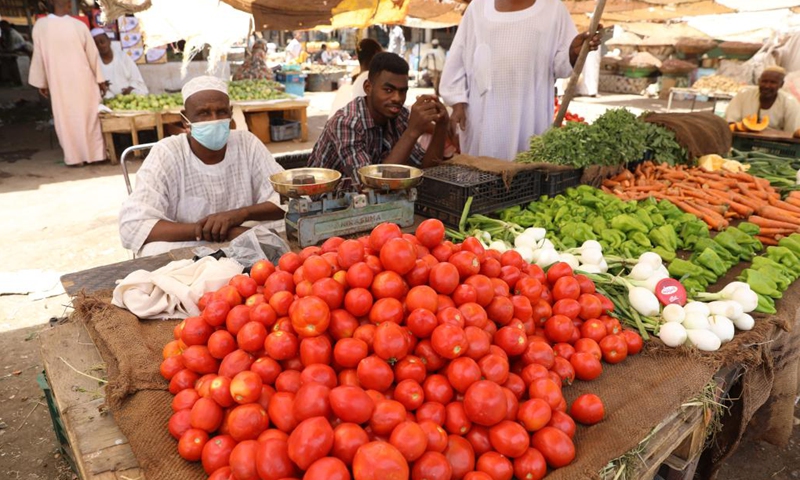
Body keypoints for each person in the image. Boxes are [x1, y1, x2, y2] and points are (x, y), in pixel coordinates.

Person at [119, 76, 285, 257]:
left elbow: (285, 198)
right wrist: (215, 231)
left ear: (230, 113)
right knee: (153, 251)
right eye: (204, 113)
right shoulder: (167, 153)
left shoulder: (247, 143)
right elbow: (133, 225)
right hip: (189, 241)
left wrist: (239, 214)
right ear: (185, 120)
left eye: (221, 111)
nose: (214, 119)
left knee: (283, 228)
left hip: (242, 233)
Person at [439, 0, 601, 160]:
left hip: (530, 115)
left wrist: (573, 53)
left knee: (525, 171)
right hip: (484, 117)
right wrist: (457, 102)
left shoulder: (554, 9)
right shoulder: (478, 7)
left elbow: (561, 66)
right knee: (483, 172)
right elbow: (458, 58)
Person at [308, 52, 449, 187]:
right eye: (388, 90)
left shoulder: (400, 116)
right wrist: (413, 131)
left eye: (403, 91)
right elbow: (370, 185)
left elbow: (426, 168)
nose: (397, 98)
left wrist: (442, 125)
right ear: (368, 88)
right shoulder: (346, 123)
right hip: (328, 205)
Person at [28, 0, 107, 166]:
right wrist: (100, 80)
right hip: (84, 81)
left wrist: (42, 82)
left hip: (59, 82)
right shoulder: (79, 26)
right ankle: (95, 155)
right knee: (88, 117)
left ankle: (74, 158)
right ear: (70, 4)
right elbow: (92, 56)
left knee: (66, 119)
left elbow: (38, 57)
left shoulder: (41, 26)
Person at [726, 67, 800, 136]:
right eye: (764, 81)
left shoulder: (790, 103)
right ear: (759, 81)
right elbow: (730, 122)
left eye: (773, 82)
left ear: (781, 84)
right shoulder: (744, 94)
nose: (767, 86)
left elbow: (791, 133)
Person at [91, 28, 148, 99]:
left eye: (102, 41)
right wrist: (102, 85)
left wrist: (130, 88)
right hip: (110, 96)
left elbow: (136, 78)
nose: (100, 46)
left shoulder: (123, 57)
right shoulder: (95, 62)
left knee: (137, 93)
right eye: (96, 44)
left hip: (128, 91)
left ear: (109, 41)